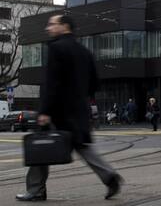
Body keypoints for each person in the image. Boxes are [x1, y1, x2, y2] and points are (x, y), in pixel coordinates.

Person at [17, 14, 123, 202]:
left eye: (52, 24)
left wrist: (44, 111)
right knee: (83, 148)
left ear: (64, 26)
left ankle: (36, 190)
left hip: (57, 112)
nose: (48, 28)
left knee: (39, 148)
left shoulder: (56, 48)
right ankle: (110, 176)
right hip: (79, 110)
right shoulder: (85, 51)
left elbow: (52, 83)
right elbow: (94, 84)